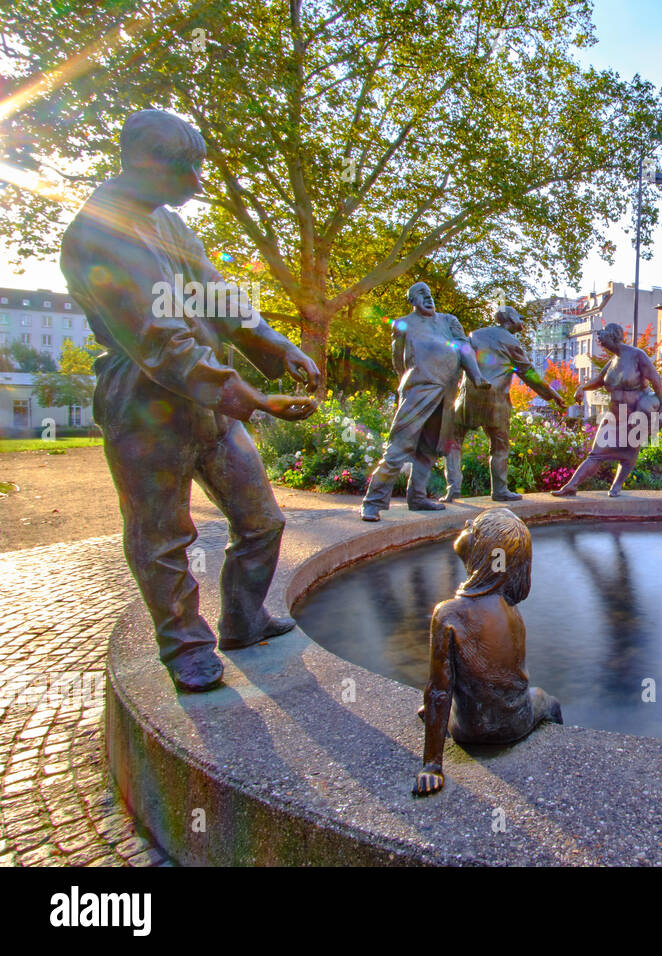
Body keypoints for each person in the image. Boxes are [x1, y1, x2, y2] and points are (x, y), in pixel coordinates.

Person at [60, 109, 322, 693]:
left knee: (262, 521)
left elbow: (220, 296)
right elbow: (162, 343)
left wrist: (277, 349)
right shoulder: (97, 234)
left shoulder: (171, 225)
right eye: (189, 169)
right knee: (161, 534)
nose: (199, 184)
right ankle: (183, 644)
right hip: (144, 404)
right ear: (147, 161)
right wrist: (251, 398)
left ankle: (243, 618)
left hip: (208, 401)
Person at [413, 509, 562, 796]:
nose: (466, 527)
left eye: (473, 528)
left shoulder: (448, 614)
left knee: (442, 702)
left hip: (469, 731)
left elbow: (438, 689)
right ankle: (559, 751)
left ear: (484, 550)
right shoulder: (510, 609)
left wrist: (431, 765)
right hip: (515, 724)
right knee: (548, 701)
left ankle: (442, 723)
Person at [360, 282, 488, 520]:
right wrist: (410, 384)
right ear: (412, 301)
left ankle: (417, 497)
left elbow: (464, 349)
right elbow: (398, 361)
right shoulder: (403, 324)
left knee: (429, 448)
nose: (428, 297)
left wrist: (477, 376)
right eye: (421, 294)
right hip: (418, 390)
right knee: (399, 446)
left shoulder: (449, 321)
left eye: (430, 294)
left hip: (446, 391)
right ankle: (373, 501)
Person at [442, 306, 566, 502]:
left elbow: (458, 360)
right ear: (509, 319)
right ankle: (499, 490)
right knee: (499, 446)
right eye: (519, 317)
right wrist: (552, 394)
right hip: (495, 401)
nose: (522, 322)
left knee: (453, 440)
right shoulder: (512, 342)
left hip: (468, 398)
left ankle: (453, 488)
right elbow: (528, 373)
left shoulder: (475, 335)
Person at [550, 323, 662, 498]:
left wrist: (660, 404)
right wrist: (582, 387)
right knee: (596, 453)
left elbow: (655, 378)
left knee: (629, 452)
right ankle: (571, 486)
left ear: (613, 336)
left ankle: (617, 485)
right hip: (614, 415)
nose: (600, 340)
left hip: (635, 413)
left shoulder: (637, 355)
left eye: (603, 336)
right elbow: (599, 380)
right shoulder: (612, 362)